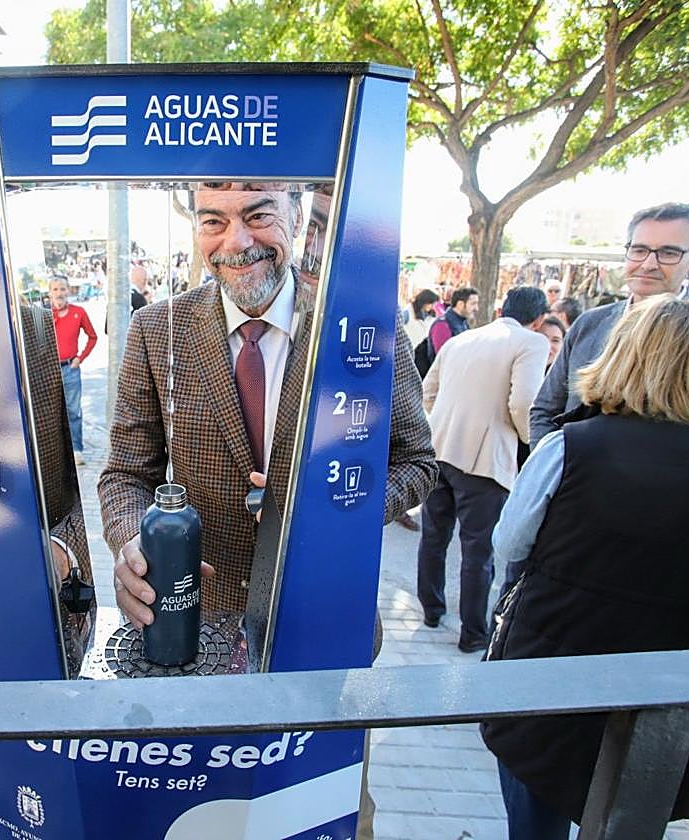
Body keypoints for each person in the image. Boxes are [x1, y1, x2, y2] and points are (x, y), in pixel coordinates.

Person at [99, 183, 437, 840]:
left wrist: (327, 512)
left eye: (258, 215)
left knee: (328, 814)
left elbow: (416, 461)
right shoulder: (156, 329)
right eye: (212, 221)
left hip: (325, 626)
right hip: (193, 633)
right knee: (205, 816)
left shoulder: (362, 324)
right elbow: (125, 473)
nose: (236, 242)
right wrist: (126, 544)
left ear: (297, 216)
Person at [482, 295, 689, 839]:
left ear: (621, 351)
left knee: (534, 820)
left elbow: (510, 544)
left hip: (549, 671)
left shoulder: (568, 446)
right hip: (674, 691)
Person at [530, 202, 689, 447]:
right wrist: (551, 469)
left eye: (668, 253)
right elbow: (544, 410)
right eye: (639, 250)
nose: (648, 264)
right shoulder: (590, 325)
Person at [417, 286, 549, 653]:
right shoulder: (531, 343)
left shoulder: (462, 338)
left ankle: (431, 609)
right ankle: (473, 632)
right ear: (538, 320)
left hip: (439, 447)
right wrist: (528, 439)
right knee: (477, 550)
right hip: (484, 458)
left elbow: (427, 391)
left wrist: (442, 421)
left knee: (434, 536)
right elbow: (524, 402)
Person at [49, 276, 97, 465]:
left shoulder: (79, 312)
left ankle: (77, 449)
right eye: (55, 289)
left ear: (68, 291)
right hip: (50, 370)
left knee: (73, 412)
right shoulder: (45, 314)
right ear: (49, 293)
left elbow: (92, 337)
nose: (59, 293)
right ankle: (57, 452)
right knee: (52, 412)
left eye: (62, 289)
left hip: (70, 368)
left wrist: (80, 358)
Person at [428, 285, 478, 354]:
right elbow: (443, 357)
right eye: (473, 304)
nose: (476, 308)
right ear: (460, 304)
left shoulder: (463, 323)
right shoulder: (442, 325)